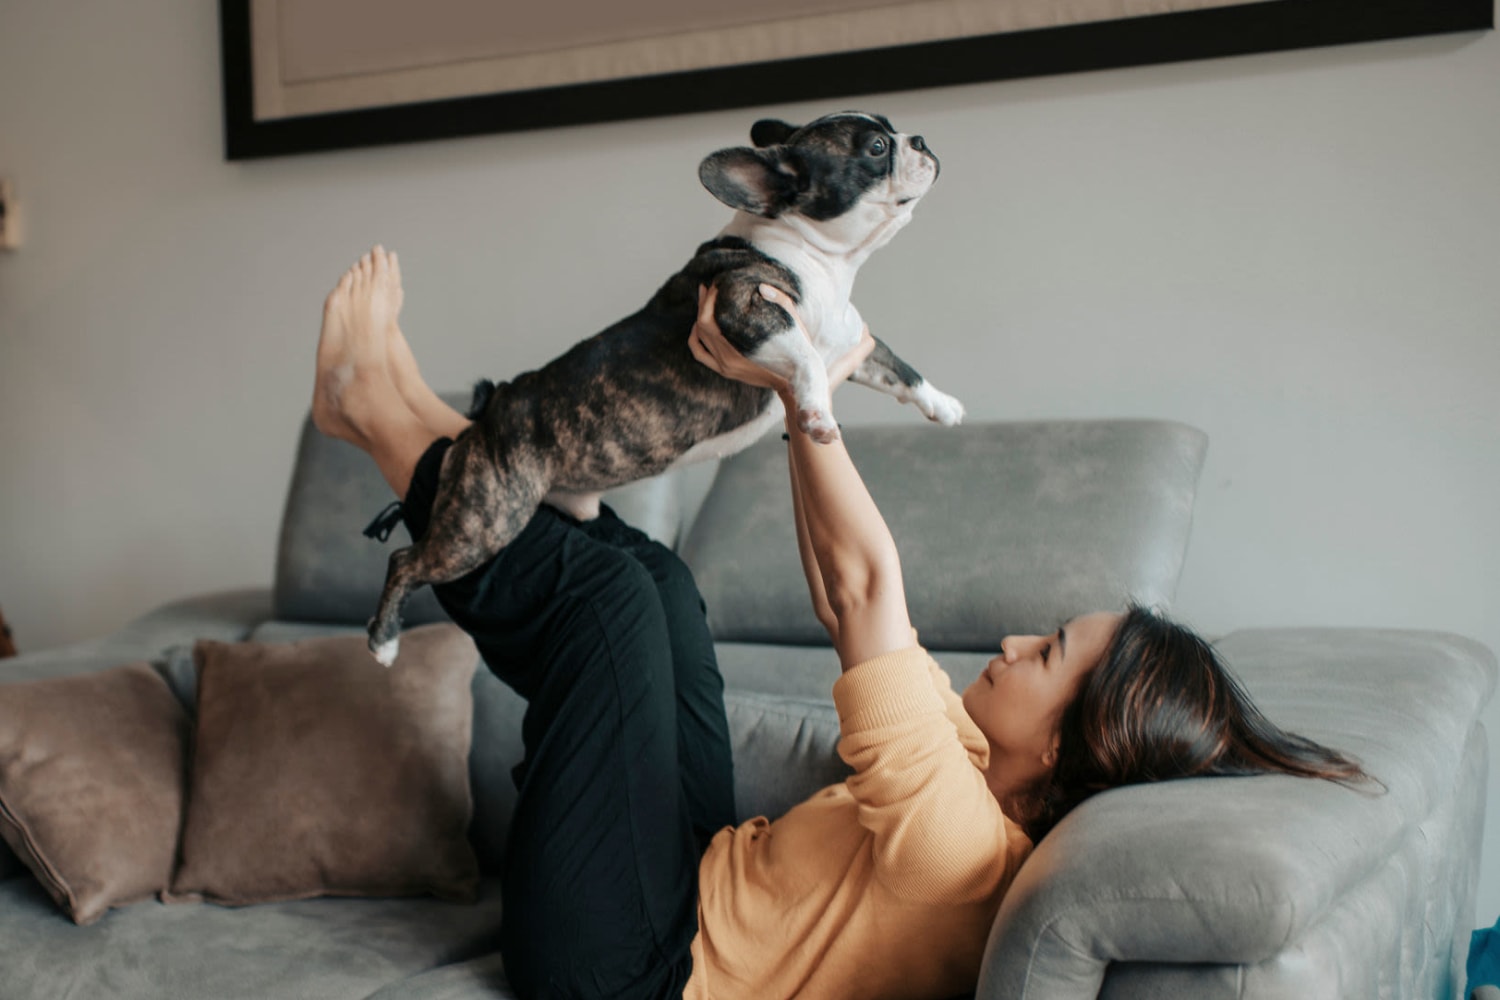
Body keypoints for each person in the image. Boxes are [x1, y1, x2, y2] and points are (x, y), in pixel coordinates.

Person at [312, 246, 1369, 1000]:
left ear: (1061, 745)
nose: (1008, 644)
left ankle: (376, 413)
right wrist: (786, 413)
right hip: (683, 877)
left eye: (1046, 654)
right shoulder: (962, 758)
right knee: (668, 595)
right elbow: (836, 594)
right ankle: (437, 428)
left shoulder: (956, 845)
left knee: (608, 609)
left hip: (626, 971)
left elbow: (870, 589)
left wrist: (804, 389)